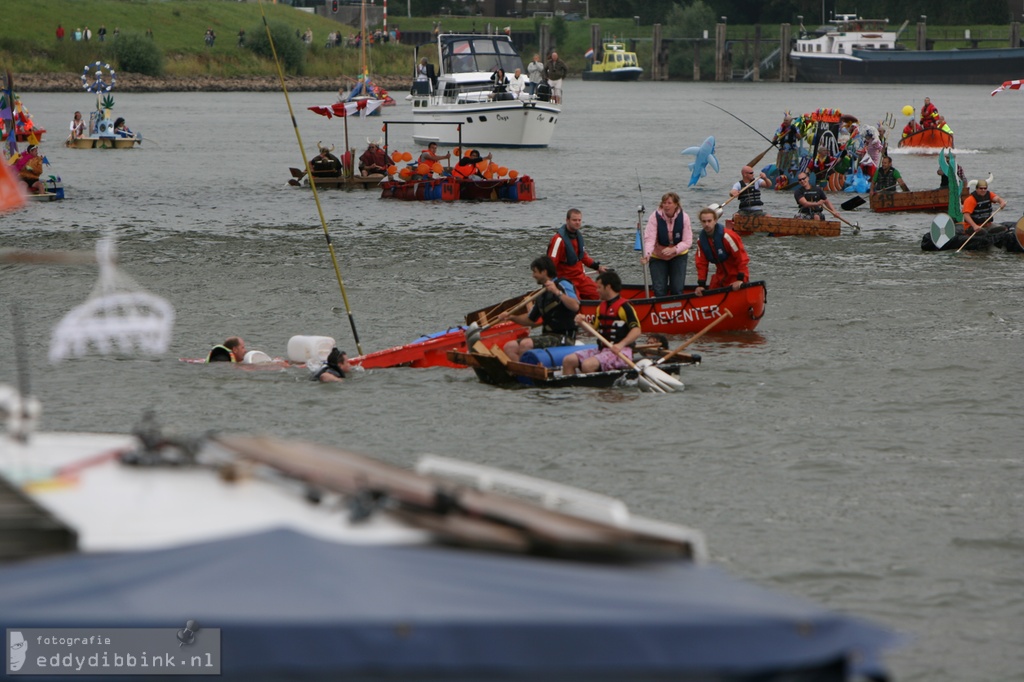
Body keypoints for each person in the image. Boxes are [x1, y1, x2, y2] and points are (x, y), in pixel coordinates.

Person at [499, 256, 580, 362]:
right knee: (509, 347)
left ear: (544, 272)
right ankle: (520, 374)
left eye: (535, 272)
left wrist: (557, 292)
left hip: (565, 337)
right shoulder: (541, 295)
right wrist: (511, 317)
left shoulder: (562, 284)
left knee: (525, 344)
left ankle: (528, 373)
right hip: (547, 335)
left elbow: (575, 306)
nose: (533, 275)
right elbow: (530, 320)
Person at [562, 271, 641, 376]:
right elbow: (593, 330)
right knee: (568, 360)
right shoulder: (600, 307)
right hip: (602, 350)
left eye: (599, 287)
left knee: (587, 365)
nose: (596, 290)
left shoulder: (625, 307)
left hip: (621, 352)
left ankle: (596, 391)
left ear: (608, 287)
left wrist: (620, 345)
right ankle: (571, 390)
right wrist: (582, 323)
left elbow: (637, 330)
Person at [548, 208, 607, 301]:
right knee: (575, 301)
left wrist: (597, 267)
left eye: (579, 220)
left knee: (601, 295)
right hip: (565, 280)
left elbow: (583, 256)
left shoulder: (578, 237)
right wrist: (550, 283)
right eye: (574, 220)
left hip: (580, 278)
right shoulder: (558, 240)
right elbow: (550, 264)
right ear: (567, 220)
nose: (577, 223)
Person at [642, 192, 692, 298]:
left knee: (677, 288)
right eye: (664, 203)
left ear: (676, 204)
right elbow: (650, 239)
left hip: (678, 255)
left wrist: (674, 249)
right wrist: (647, 254)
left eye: (669, 203)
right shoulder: (654, 217)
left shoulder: (684, 218)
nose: (666, 205)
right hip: (658, 255)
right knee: (659, 289)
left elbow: (687, 241)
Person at [694, 207, 750, 296]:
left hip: (736, 275)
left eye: (709, 221)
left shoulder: (728, 236)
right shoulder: (701, 241)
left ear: (715, 220)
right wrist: (701, 284)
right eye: (704, 222)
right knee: (710, 293)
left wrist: (740, 279)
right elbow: (701, 264)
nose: (707, 224)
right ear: (701, 222)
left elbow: (741, 258)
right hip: (720, 276)